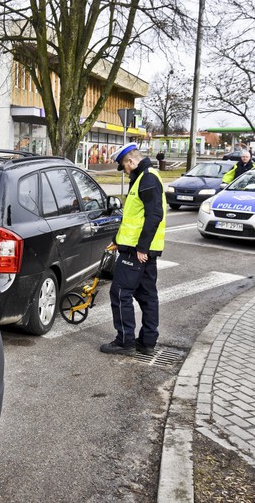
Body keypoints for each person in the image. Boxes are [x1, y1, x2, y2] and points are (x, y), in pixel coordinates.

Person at [100, 143, 166, 356]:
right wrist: (118, 240)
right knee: (147, 296)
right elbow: (134, 218)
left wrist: (141, 248)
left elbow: (154, 215)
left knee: (120, 293)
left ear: (131, 160)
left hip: (138, 251)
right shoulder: (145, 177)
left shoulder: (147, 179)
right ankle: (147, 342)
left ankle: (125, 341)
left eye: (124, 165)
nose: (125, 170)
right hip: (140, 248)